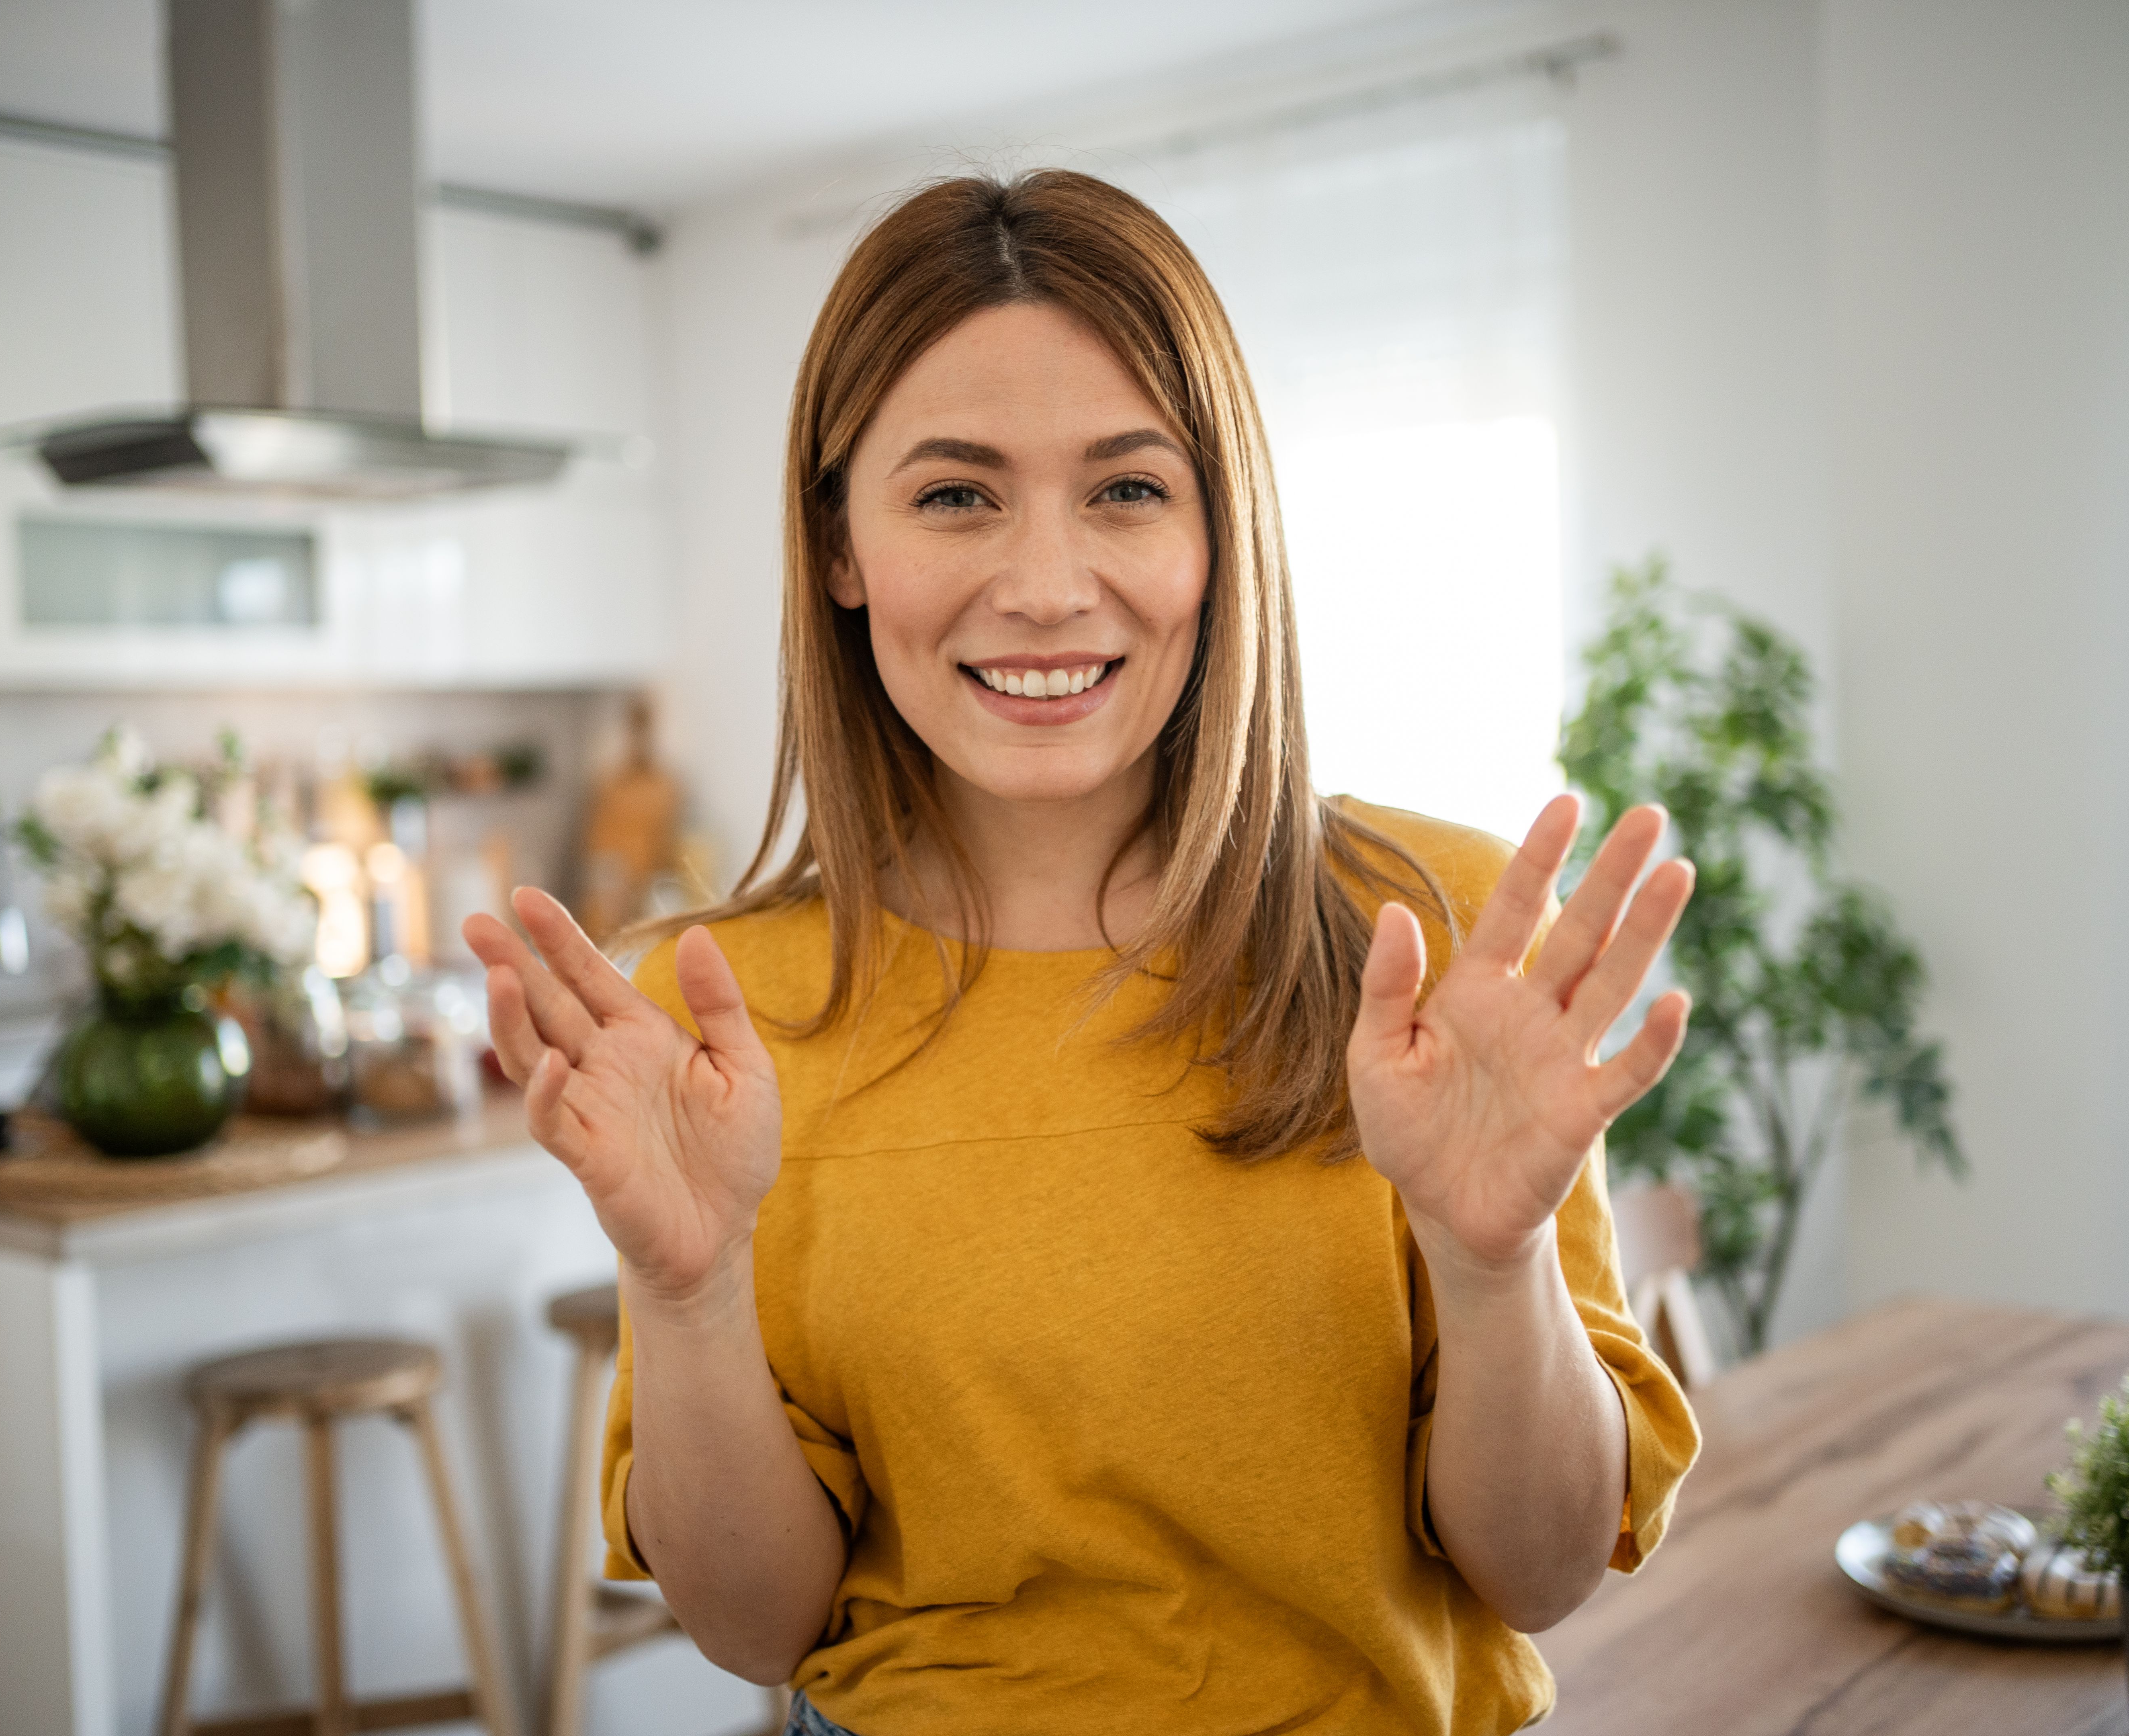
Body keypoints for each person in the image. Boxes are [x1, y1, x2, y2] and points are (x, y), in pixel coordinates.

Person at [466, 169, 1701, 1736]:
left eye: (1127, 489)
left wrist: (1489, 1256)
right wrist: (688, 1293)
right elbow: (756, 1626)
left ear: (1220, 531)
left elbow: (1535, 1573)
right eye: (956, 495)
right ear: (840, 544)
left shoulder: (1436, 935)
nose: (1047, 588)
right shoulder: (718, 1013)